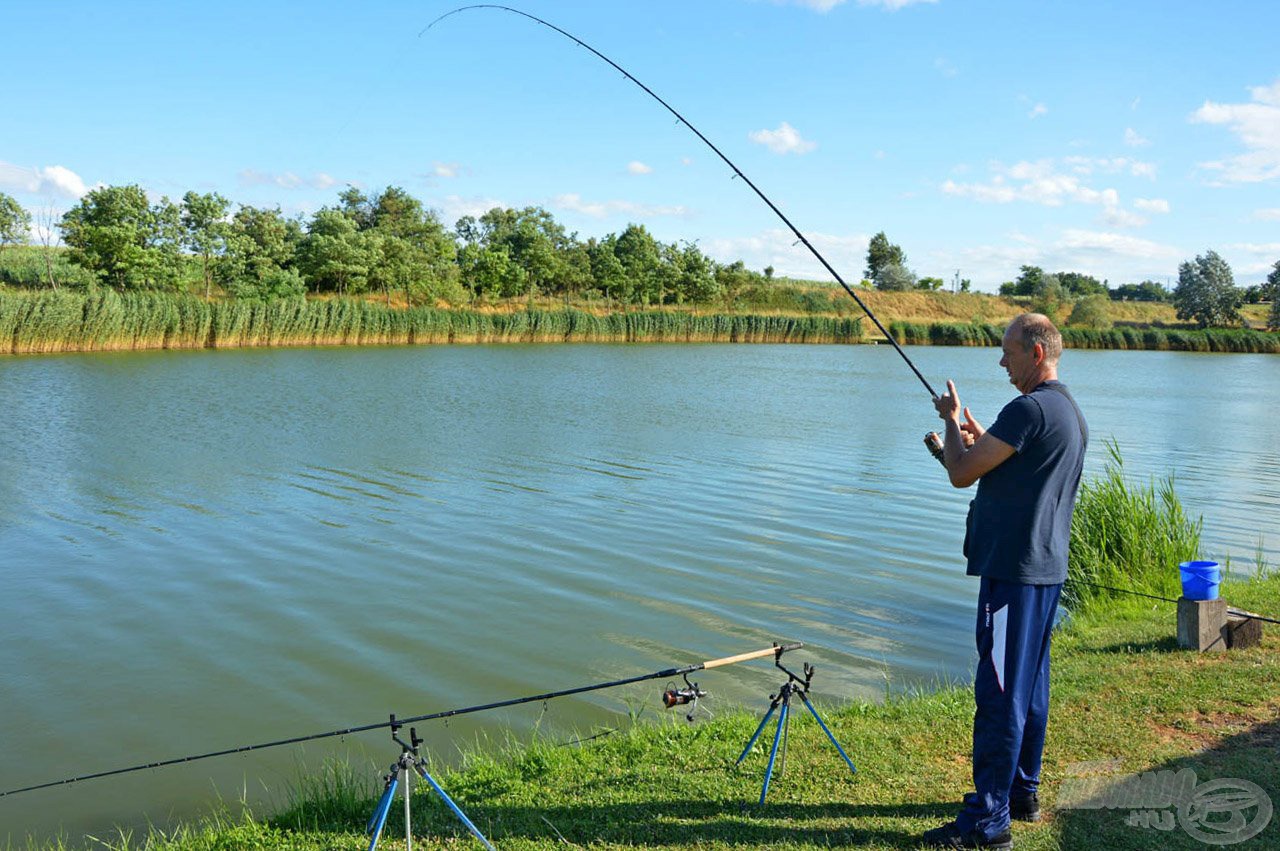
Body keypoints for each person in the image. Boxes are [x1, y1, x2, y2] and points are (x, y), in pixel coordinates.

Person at [922, 313, 1088, 850]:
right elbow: (1004, 466)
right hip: (1042, 572)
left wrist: (950, 422)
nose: (1001, 361)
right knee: (1029, 688)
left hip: (1013, 574)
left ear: (1036, 353)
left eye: (1008, 351)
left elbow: (961, 472)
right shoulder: (1065, 410)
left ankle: (988, 821)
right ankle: (1023, 794)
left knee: (999, 695)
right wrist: (974, 440)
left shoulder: (1027, 408)